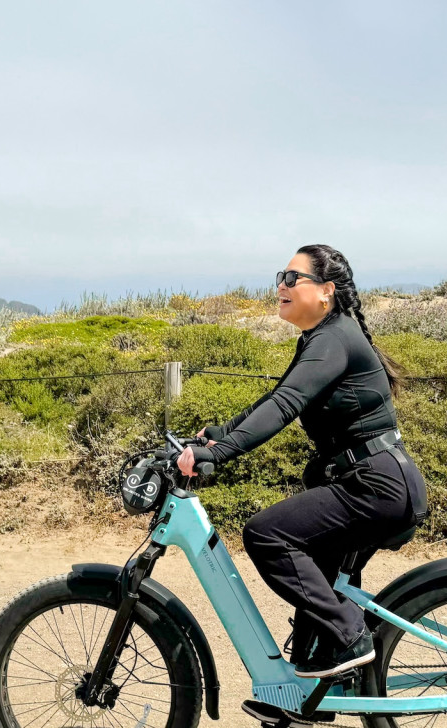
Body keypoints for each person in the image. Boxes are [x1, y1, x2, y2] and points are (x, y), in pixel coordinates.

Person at [177, 244, 427, 681]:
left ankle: (351, 635)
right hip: (370, 481)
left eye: (293, 278)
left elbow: (285, 405)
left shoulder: (334, 338)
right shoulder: (325, 337)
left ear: (326, 291)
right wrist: (219, 434)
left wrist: (218, 454)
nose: (281, 286)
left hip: (376, 486)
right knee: (314, 584)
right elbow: (278, 397)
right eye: (281, 277)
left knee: (266, 535)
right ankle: (317, 683)